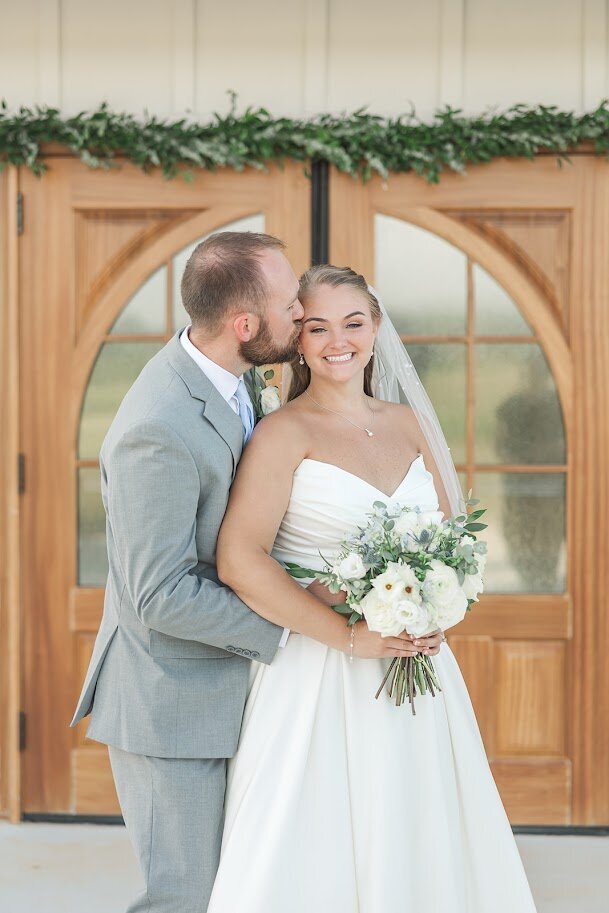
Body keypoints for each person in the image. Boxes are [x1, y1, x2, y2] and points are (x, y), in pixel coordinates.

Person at [70, 234, 428, 913]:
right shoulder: (159, 425)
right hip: (172, 704)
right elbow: (158, 594)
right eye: (291, 306)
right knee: (186, 896)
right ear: (244, 326)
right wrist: (305, 618)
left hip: (243, 695)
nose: (302, 315)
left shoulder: (235, 384)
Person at [208, 265, 538, 912]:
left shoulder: (410, 421)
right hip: (317, 674)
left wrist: (439, 605)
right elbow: (239, 560)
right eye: (317, 326)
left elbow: (456, 545)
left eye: (353, 322)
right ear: (297, 340)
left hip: (417, 667)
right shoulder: (282, 433)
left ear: (376, 328)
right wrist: (349, 636)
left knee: (420, 828)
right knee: (316, 839)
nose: (338, 340)